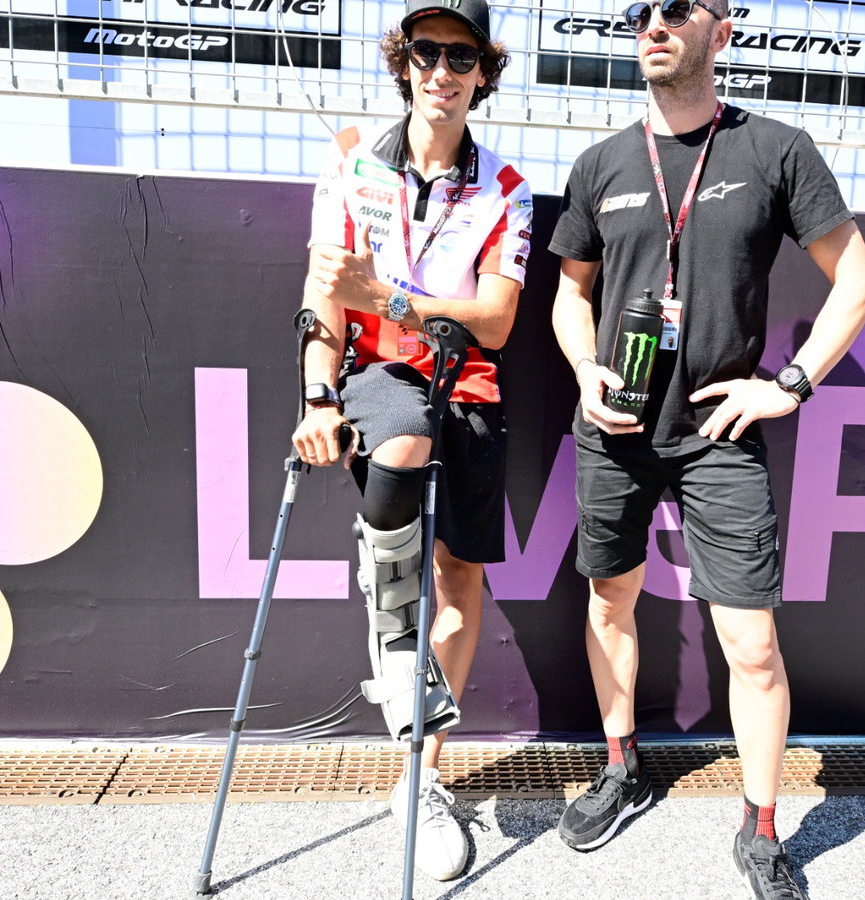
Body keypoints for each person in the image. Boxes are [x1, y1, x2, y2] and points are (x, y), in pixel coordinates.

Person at [547, 0, 865, 896]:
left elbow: (858, 281)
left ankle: (762, 828)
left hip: (717, 435)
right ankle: (621, 765)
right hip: (615, 429)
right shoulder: (600, 164)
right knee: (609, 602)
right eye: (638, 11)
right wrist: (584, 371)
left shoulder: (775, 149)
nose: (653, 23)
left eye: (675, 7)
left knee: (753, 645)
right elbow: (571, 296)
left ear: (721, 30)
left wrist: (789, 384)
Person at [289, 0, 530, 882]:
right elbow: (325, 296)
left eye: (461, 57)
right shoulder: (352, 157)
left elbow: (494, 322)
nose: (442, 71)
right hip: (383, 375)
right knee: (402, 444)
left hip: (468, 382)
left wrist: (390, 298)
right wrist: (318, 395)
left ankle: (421, 776)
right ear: (403, 63)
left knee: (461, 580)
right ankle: (391, 628)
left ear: (483, 73)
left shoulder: (506, 185)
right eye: (426, 52)